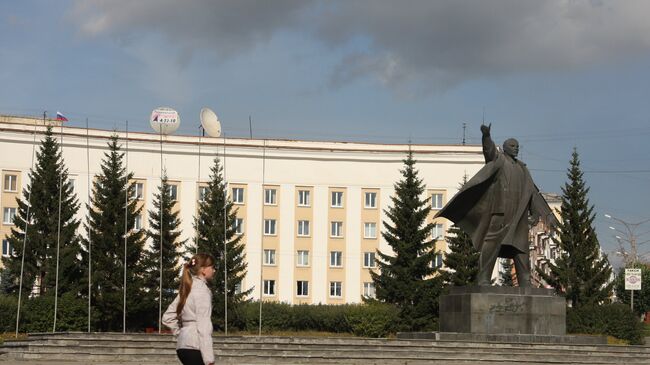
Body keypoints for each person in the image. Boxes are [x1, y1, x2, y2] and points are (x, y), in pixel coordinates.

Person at [436, 124, 556, 287]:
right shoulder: (499, 160)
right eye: (512, 146)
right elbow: (489, 150)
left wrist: (541, 214)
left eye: (517, 146)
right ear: (505, 148)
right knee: (491, 245)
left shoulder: (523, 169)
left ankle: (525, 281)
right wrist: (486, 136)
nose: (516, 149)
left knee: (521, 250)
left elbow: (532, 193)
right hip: (500, 213)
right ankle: (484, 278)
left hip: (519, 216)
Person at [163, 253, 215, 365]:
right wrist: (209, 359)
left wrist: (181, 332)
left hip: (183, 346)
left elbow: (167, 317)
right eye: (212, 267)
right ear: (203, 270)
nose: (214, 270)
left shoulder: (187, 289)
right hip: (195, 346)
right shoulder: (202, 291)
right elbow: (203, 326)